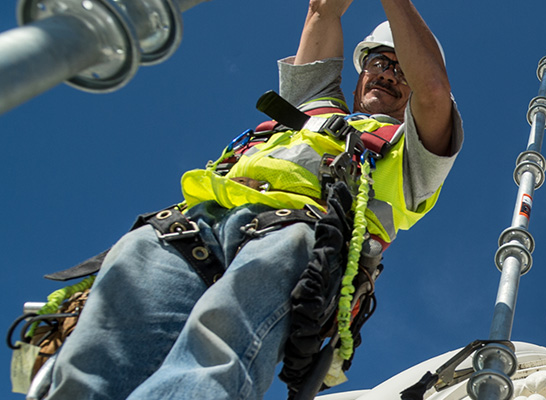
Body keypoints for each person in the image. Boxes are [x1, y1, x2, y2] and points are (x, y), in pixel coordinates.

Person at [44, 0, 463, 398]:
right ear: (363, 70)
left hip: (294, 238)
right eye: (379, 62)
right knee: (91, 364)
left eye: (401, 68)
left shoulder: (413, 153)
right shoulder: (313, 104)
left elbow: (432, 91)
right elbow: (322, 11)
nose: (389, 74)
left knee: (211, 365)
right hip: (189, 228)